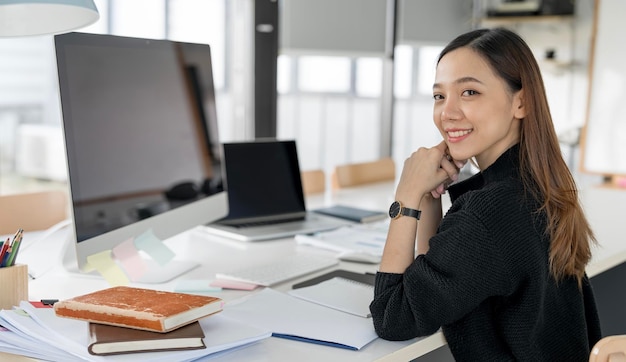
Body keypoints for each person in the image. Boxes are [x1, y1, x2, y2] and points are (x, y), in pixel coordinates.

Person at [369, 27, 602, 361]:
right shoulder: (536, 185)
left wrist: (404, 198)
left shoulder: (490, 212)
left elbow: (394, 317)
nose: (447, 112)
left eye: (469, 92)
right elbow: (436, 281)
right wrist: (427, 196)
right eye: (439, 96)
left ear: (521, 102)